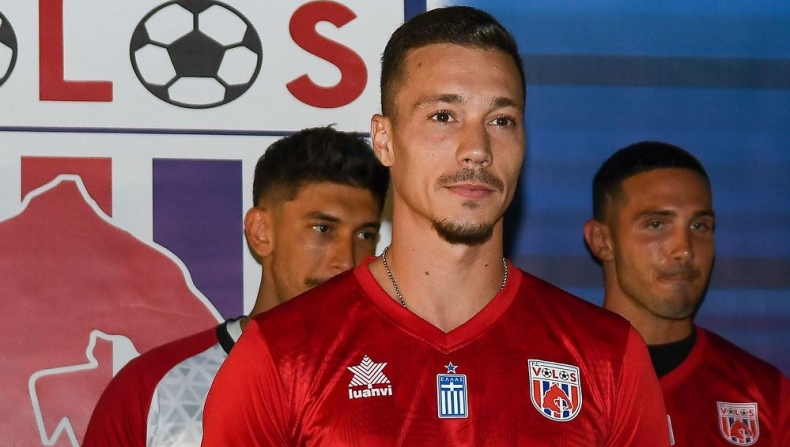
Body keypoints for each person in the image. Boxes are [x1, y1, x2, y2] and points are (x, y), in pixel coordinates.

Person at [202, 6, 669, 446]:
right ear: (384, 140)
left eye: (501, 120)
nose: (477, 149)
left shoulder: (607, 357)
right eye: (443, 116)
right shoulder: (279, 356)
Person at [81, 126, 390, 447]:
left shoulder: (403, 382)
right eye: (323, 229)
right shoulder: (155, 388)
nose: (347, 260)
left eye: (364, 235)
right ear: (261, 231)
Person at [583, 141, 789, 446]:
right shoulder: (553, 373)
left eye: (699, 226)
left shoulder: (766, 397)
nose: (684, 249)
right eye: (657, 224)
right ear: (602, 240)